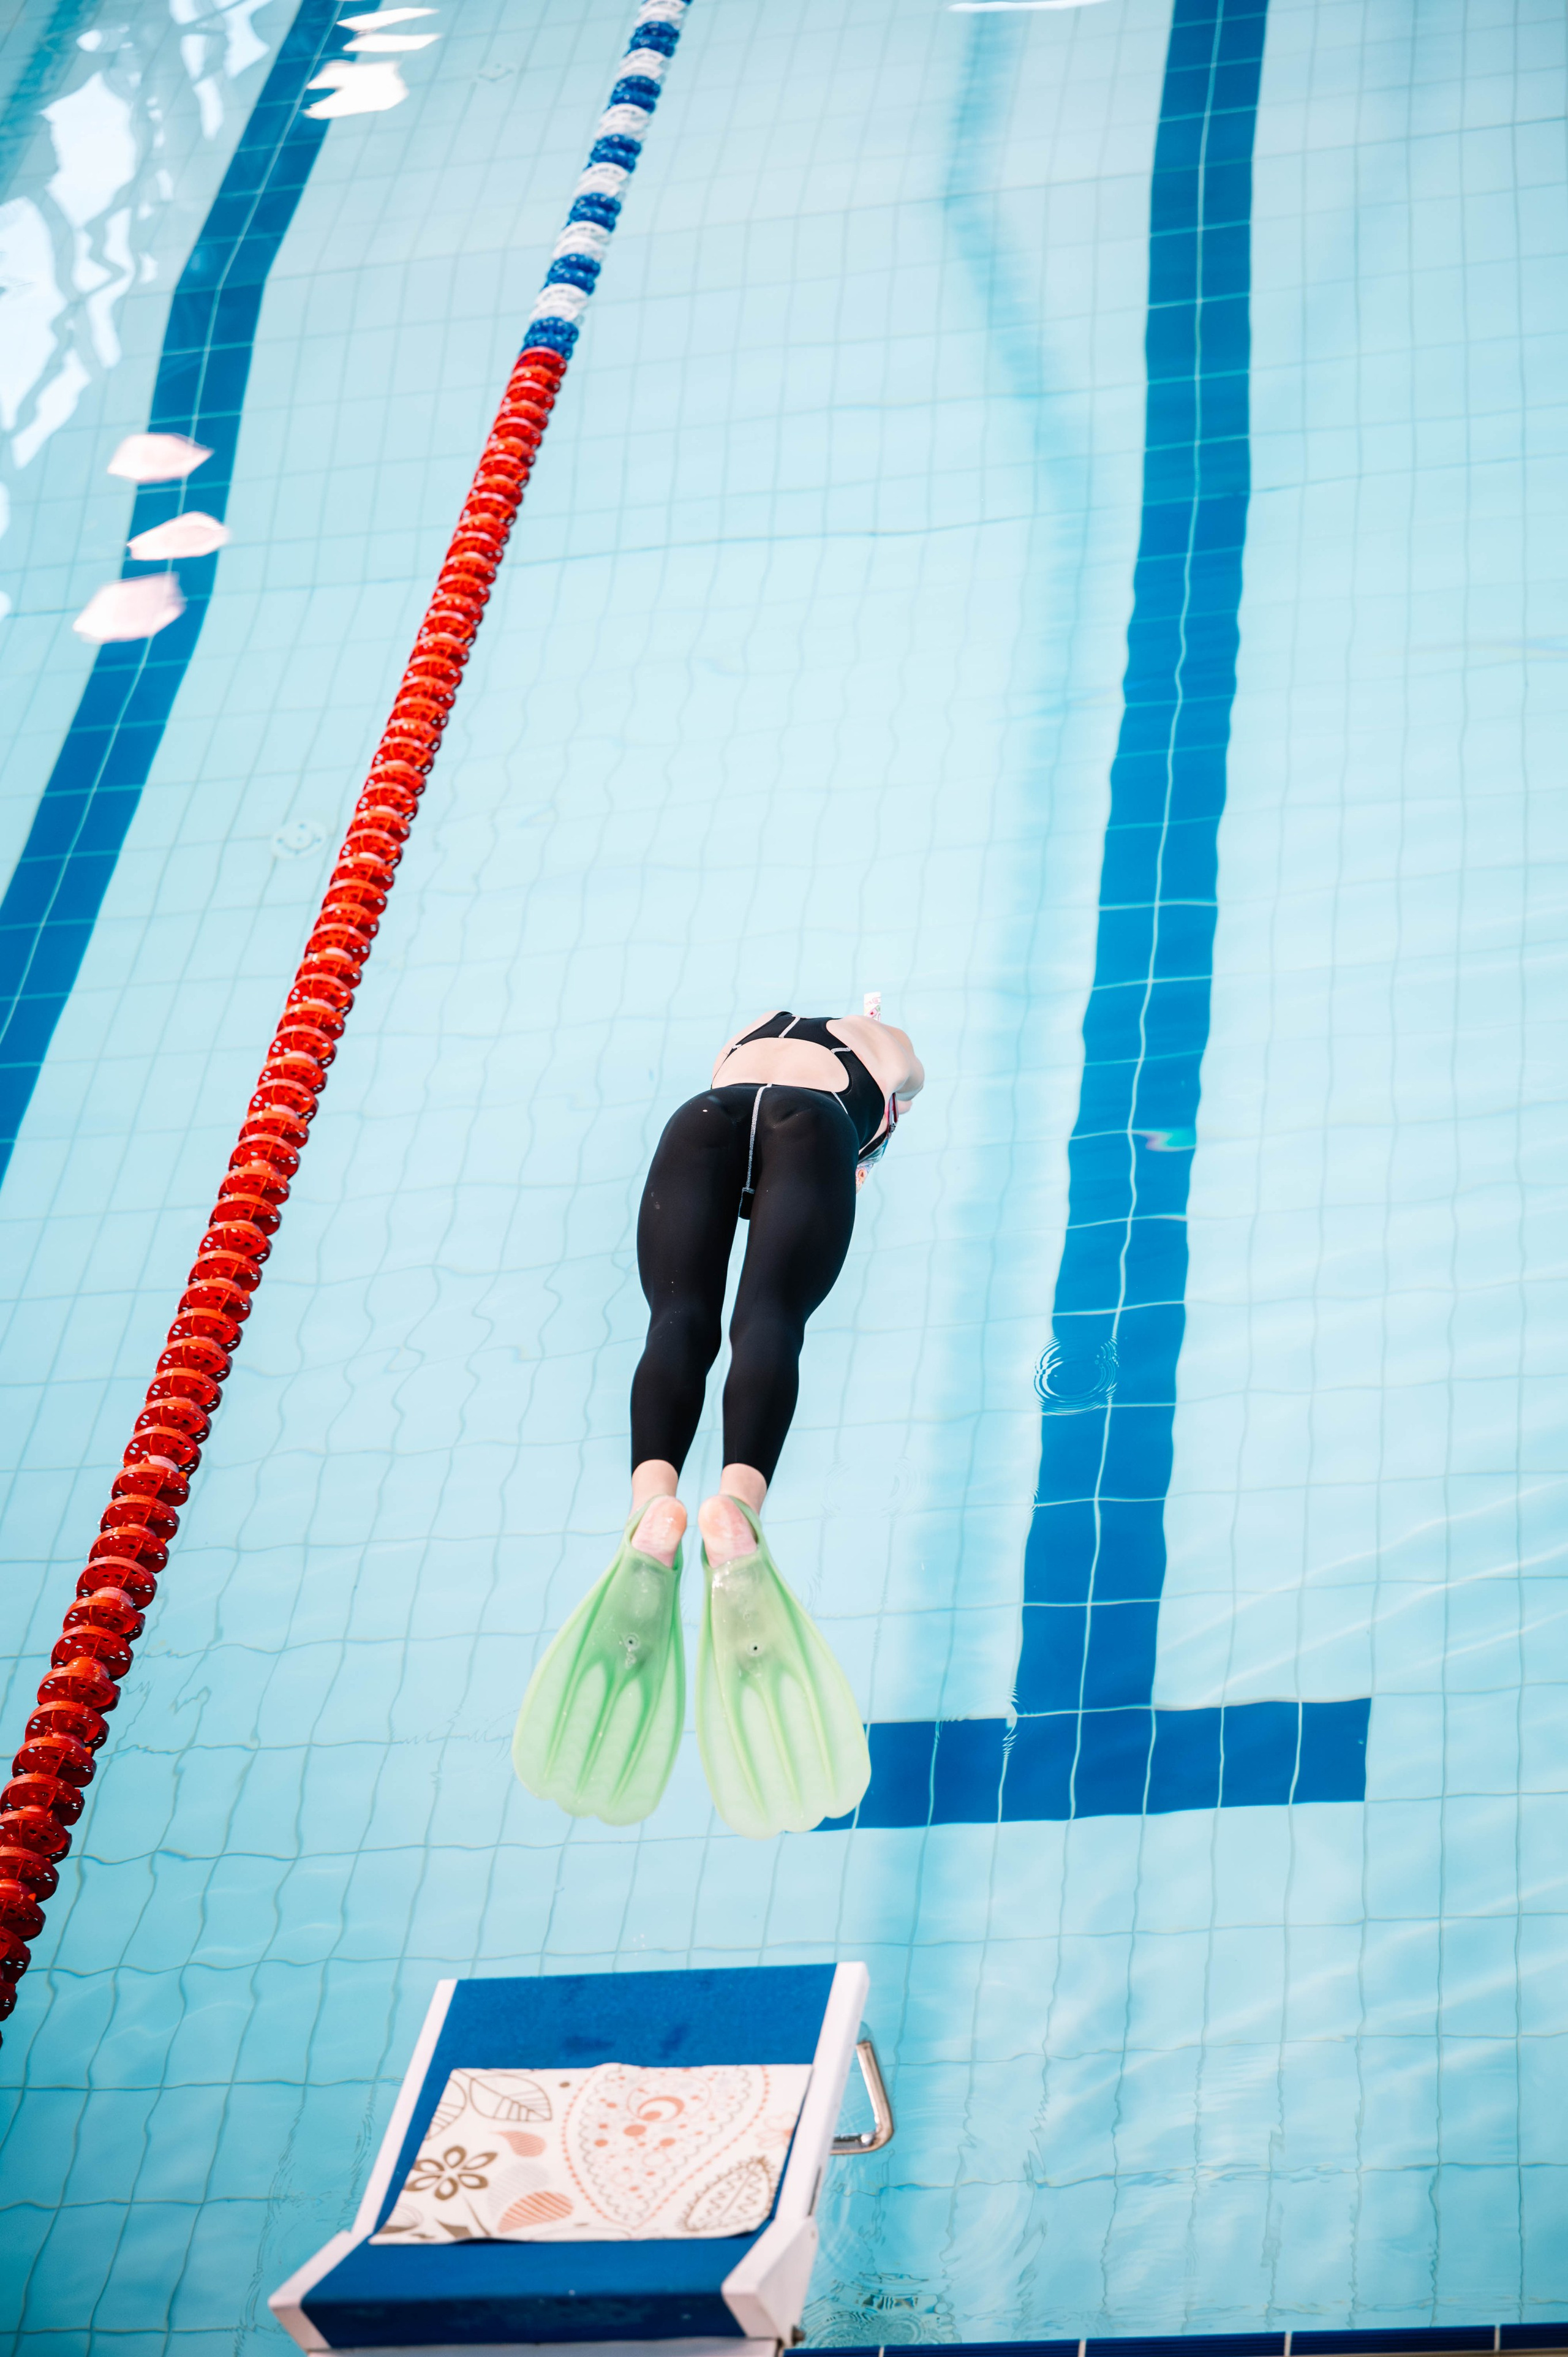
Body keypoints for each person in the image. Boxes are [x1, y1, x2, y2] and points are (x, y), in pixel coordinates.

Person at [513, 1001, 925, 1839]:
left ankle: (649, 1502)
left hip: (702, 1120)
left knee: (676, 1321)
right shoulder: (889, 1049)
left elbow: (747, 1101)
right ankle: (735, 1504)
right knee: (769, 1318)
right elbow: (902, 1093)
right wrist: (883, 1110)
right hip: (818, 1124)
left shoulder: (753, 1028)